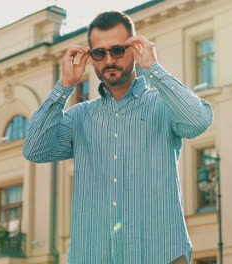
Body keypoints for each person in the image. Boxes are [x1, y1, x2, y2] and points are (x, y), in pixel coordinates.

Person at [23, 11, 213, 264]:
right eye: (100, 53)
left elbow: (198, 121)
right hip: (94, 256)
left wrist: (153, 68)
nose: (109, 59)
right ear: (91, 58)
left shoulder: (163, 105)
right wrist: (65, 86)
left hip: (161, 254)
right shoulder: (79, 118)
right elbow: (34, 150)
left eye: (118, 50)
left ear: (134, 48)